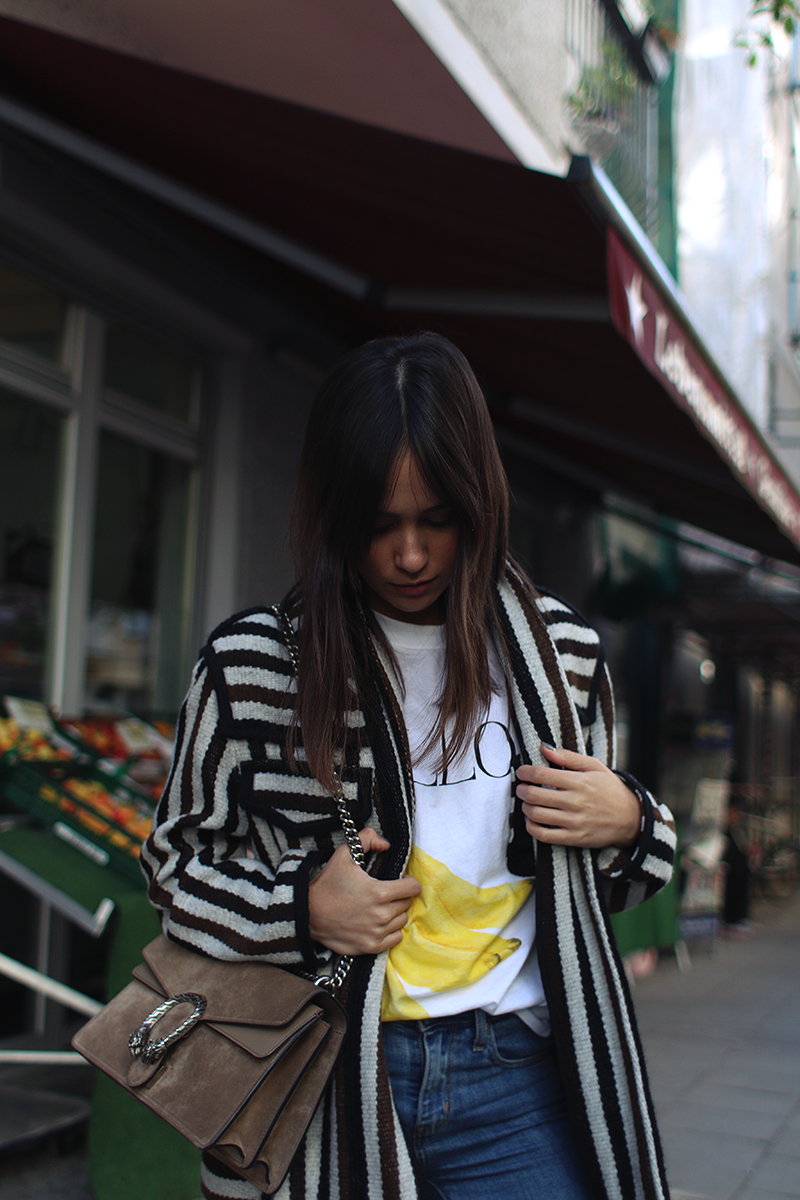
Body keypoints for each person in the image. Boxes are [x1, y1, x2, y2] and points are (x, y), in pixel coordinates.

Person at [142, 332, 676, 1200]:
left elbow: (612, 886)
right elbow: (175, 865)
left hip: (515, 1071)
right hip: (316, 1073)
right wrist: (301, 906)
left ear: (479, 501)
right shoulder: (254, 665)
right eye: (379, 524)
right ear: (332, 512)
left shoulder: (561, 656)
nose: (412, 555)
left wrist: (631, 822)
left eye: (437, 518)